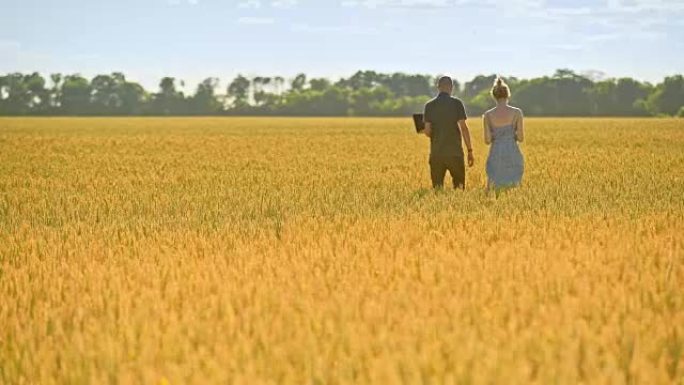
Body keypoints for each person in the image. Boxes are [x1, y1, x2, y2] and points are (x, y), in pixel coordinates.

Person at [423, 75, 474, 189]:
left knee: (437, 189)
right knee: (459, 188)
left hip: (437, 153)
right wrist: (470, 150)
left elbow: (427, 131)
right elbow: (464, 128)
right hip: (455, 153)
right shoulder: (457, 103)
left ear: (438, 87)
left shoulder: (429, 106)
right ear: (451, 87)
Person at [482, 76, 525, 189]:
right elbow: (520, 138)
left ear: (494, 96)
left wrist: (497, 135)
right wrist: (511, 135)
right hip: (513, 153)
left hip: (496, 153)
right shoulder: (517, 112)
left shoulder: (488, 115)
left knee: (495, 186)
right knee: (514, 185)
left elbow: (487, 140)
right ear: (508, 94)